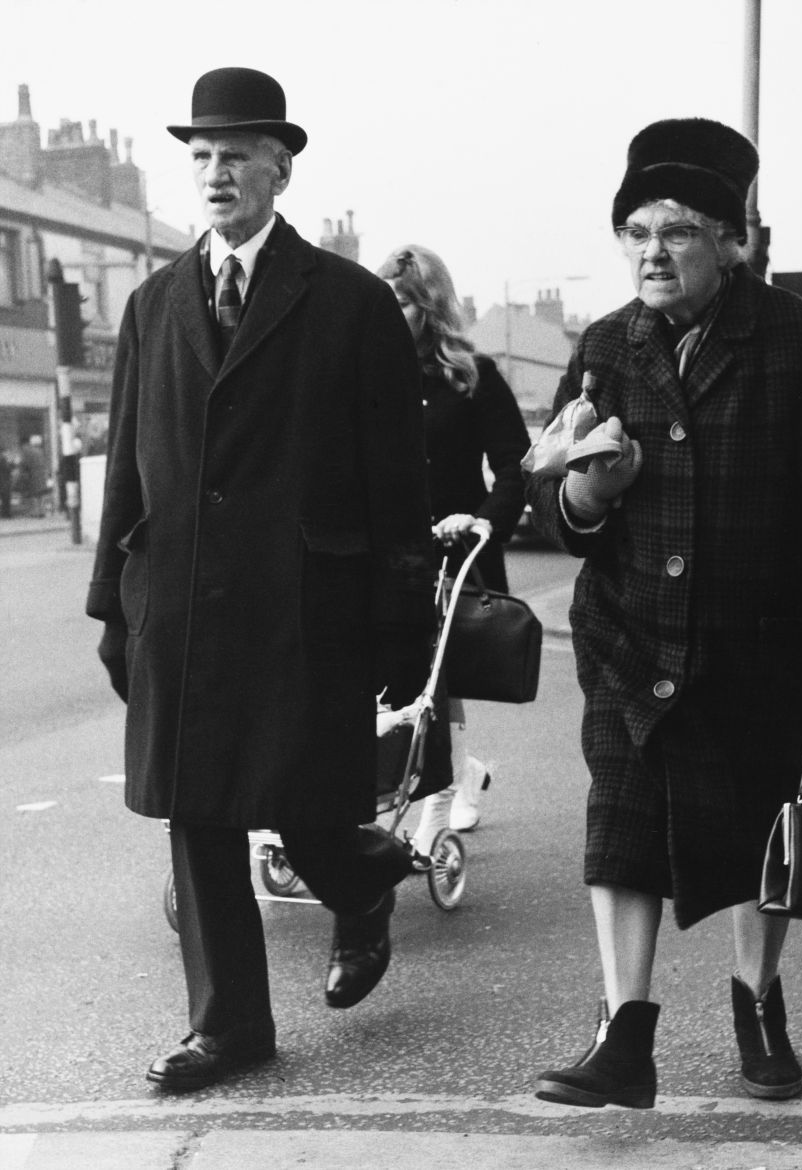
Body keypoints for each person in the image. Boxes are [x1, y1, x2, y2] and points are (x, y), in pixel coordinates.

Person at [524, 118, 802, 1109]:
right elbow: (559, 514)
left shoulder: (799, 343)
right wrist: (588, 493)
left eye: (677, 231)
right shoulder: (605, 345)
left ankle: (756, 1005)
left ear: (730, 241)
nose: (652, 252)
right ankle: (623, 1038)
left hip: (758, 644)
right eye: (636, 232)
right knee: (620, 828)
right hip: (629, 634)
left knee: (758, 832)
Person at [86, 67, 435, 1092]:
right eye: (200, 156)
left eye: (235, 155)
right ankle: (229, 1027)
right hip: (181, 599)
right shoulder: (153, 306)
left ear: (280, 170)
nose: (215, 173)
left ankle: (360, 882)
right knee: (197, 811)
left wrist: (401, 614)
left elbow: (396, 476)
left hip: (302, 602)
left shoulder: (350, 303)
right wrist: (113, 603)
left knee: (304, 798)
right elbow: (126, 464)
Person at [376, 246, 531, 848]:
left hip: (455, 550)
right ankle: (462, 771)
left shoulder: (473, 376)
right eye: (386, 300)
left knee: (439, 682)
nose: (393, 313)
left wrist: (483, 519)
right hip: (388, 553)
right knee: (401, 682)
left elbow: (515, 467)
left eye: (405, 302)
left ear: (432, 306)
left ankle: (437, 809)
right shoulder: (367, 375)